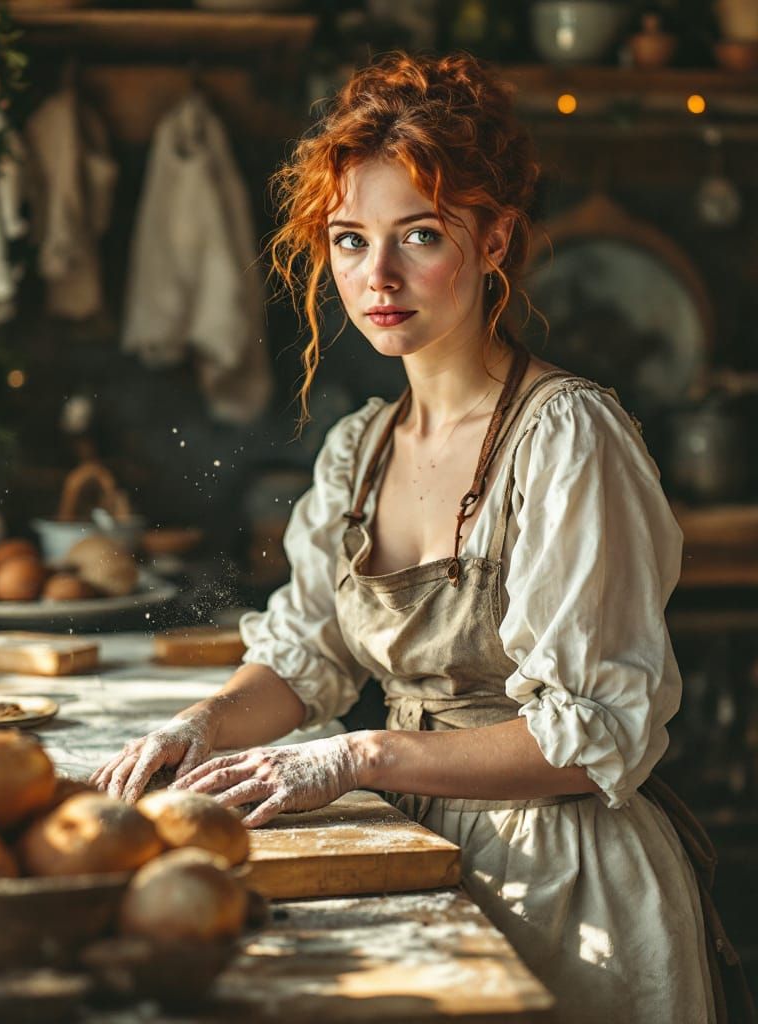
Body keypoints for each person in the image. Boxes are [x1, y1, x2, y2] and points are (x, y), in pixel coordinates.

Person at [94, 53, 748, 1024]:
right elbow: (306, 655)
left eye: (421, 236)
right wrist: (202, 724)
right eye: (351, 240)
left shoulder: (567, 437)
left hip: (565, 882)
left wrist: (357, 759)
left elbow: (591, 740)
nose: (378, 277)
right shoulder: (361, 448)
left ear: (494, 239)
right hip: (406, 850)